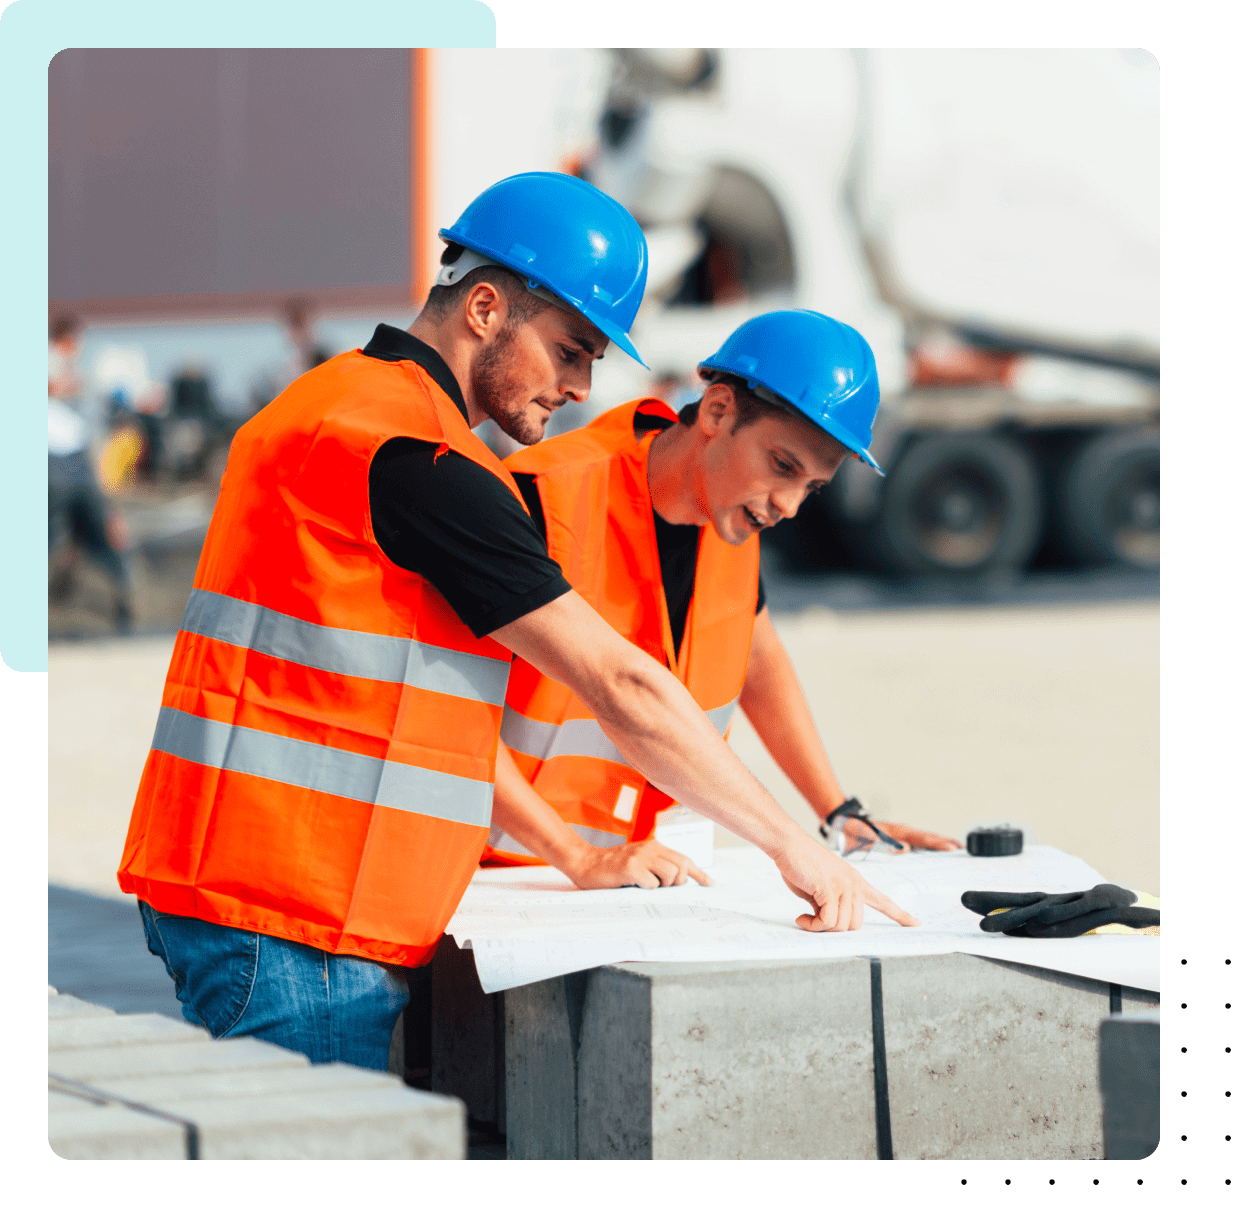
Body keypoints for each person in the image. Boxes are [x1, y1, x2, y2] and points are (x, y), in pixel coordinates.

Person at [118, 172, 917, 1072]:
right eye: (570, 351)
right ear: (485, 307)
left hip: (266, 886)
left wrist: (830, 811)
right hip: (292, 913)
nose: (579, 386)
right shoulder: (416, 459)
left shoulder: (336, 406)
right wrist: (793, 850)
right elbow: (619, 683)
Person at [483, 310, 963, 887]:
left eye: (811, 487)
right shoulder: (540, 496)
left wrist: (840, 814)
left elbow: (760, 663)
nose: (788, 505)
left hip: (637, 878)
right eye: (782, 465)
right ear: (717, 411)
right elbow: (449, 710)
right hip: (500, 875)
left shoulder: (732, 518)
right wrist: (575, 856)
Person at [47, 315, 134, 631]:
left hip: (77, 459)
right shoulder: (50, 360)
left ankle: (118, 599)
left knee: (93, 529)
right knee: (54, 531)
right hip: (54, 461)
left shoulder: (74, 370)